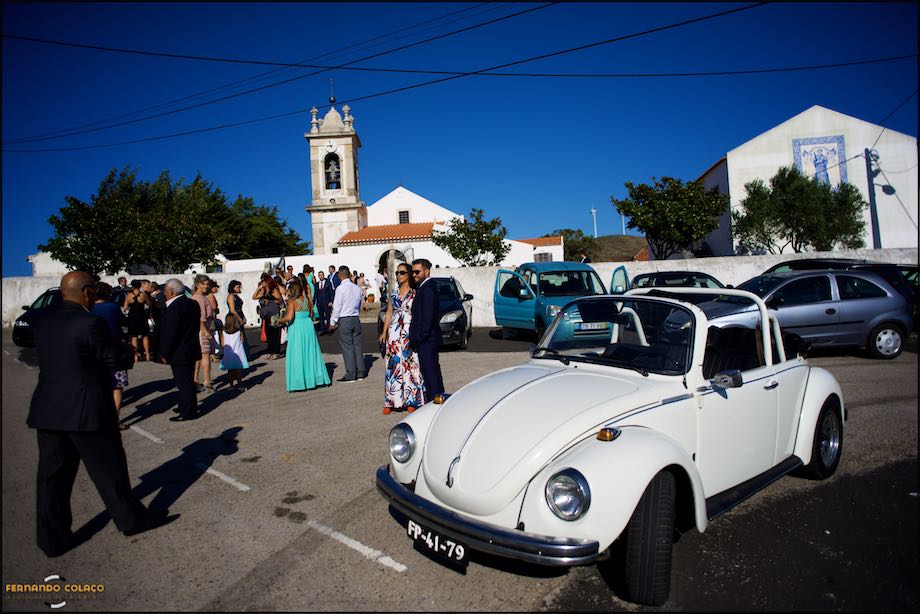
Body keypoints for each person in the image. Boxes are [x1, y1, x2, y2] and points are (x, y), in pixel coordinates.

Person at [27, 271, 176, 557]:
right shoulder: (89, 322)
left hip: (49, 411)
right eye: (93, 290)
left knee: (52, 479)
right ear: (84, 291)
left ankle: (52, 539)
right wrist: (125, 350)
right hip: (87, 411)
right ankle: (132, 520)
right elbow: (113, 358)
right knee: (109, 471)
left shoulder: (43, 322)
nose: (95, 294)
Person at [378, 263, 424, 414]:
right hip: (394, 332)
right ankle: (392, 401)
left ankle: (412, 400)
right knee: (393, 365)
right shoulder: (394, 292)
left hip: (409, 330)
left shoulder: (415, 292)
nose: (399, 275)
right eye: (397, 273)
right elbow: (389, 313)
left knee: (410, 365)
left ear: (409, 274)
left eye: (402, 272)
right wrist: (384, 332)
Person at [158, 278, 202, 421]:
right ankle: (186, 404)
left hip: (179, 350)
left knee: (183, 382)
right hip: (191, 346)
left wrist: (164, 352)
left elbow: (171, 332)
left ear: (171, 291)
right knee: (187, 379)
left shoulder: (174, 307)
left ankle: (188, 411)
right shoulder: (192, 304)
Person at [278, 280, 330, 392]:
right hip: (308, 326)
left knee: (297, 353)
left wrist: (278, 320)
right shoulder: (307, 300)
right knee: (310, 352)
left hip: (297, 328)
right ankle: (314, 379)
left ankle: (299, 381)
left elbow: (289, 317)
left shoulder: (292, 301)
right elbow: (311, 314)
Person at [92, 282, 130, 430]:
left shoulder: (87, 309)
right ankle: (114, 420)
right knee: (117, 387)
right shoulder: (113, 308)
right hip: (115, 352)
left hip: (94, 353)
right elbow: (124, 326)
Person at [409, 258, 444, 401]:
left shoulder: (428, 288)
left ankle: (435, 401)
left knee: (431, 373)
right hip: (427, 339)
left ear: (426, 271)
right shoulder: (423, 287)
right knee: (430, 372)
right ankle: (436, 399)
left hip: (427, 340)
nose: (414, 275)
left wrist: (419, 337)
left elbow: (427, 317)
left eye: (417, 271)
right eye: (413, 272)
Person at [328, 265, 365, 383]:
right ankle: (360, 372)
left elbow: (337, 306)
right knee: (357, 346)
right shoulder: (357, 288)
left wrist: (332, 321)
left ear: (340, 275)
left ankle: (351, 373)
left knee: (347, 347)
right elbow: (360, 304)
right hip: (355, 317)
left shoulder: (340, 288)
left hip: (344, 318)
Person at [191, 275, 215, 392]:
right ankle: (207, 381)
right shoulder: (199, 298)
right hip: (202, 331)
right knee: (205, 356)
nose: (206, 286)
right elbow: (200, 318)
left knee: (199, 358)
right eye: (203, 284)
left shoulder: (199, 297)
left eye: (207, 284)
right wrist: (206, 332)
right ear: (197, 284)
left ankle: (196, 381)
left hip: (201, 330)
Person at [253, 273, 284, 360]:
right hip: (267, 314)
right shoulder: (264, 291)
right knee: (268, 333)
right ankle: (270, 350)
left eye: (263, 281)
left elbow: (280, 300)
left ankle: (276, 351)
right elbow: (254, 297)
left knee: (275, 333)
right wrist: (259, 288)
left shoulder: (273, 290)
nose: (262, 282)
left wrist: (270, 302)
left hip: (274, 313)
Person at [219, 313, 249, 390]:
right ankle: (240, 385)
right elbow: (242, 341)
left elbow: (222, 344)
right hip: (238, 354)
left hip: (228, 354)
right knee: (239, 370)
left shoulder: (224, 332)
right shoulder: (239, 331)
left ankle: (231, 385)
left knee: (230, 371)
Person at [124, 279, 152, 361]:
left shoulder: (128, 295)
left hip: (132, 316)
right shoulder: (143, 294)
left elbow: (125, 307)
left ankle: (135, 356)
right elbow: (149, 304)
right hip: (141, 316)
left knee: (134, 336)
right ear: (139, 286)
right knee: (145, 335)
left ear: (132, 286)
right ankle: (147, 354)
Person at [207, 279, 223, 363]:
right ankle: (212, 354)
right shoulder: (210, 296)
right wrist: (217, 309)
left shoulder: (207, 296)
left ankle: (211, 354)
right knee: (212, 335)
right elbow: (214, 307)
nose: (217, 289)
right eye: (215, 287)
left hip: (209, 317)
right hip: (211, 317)